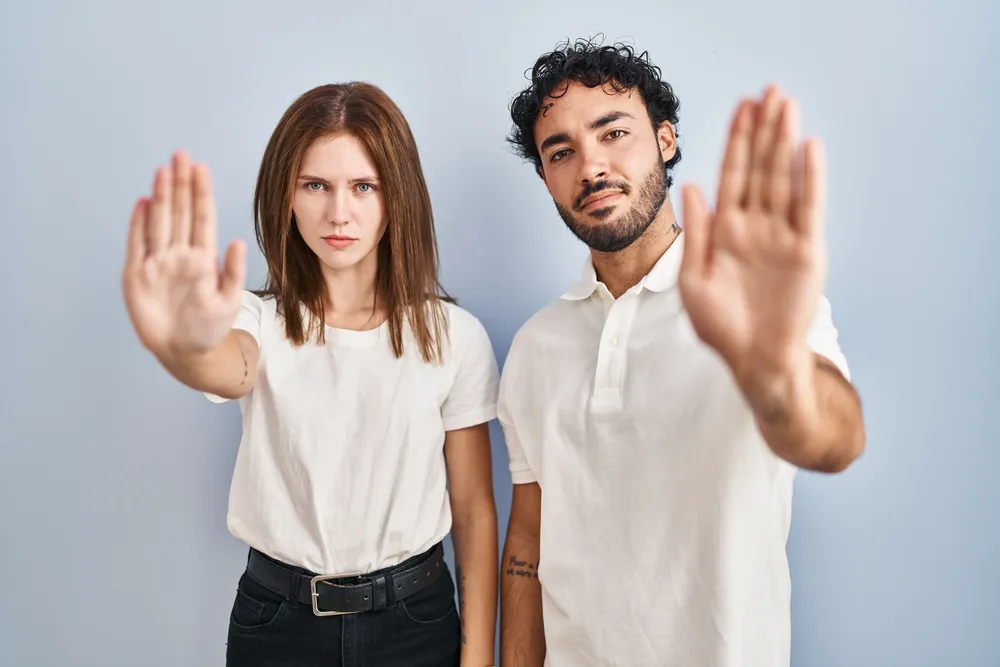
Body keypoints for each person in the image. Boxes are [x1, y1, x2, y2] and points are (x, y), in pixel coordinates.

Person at [496, 38, 866, 667]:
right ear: (546, 177)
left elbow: (835, 441)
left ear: (665, 141)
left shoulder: (753, 303)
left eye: (613, 133)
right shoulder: (536, 345)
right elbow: (528, 543)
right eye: (562, 152)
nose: (591, 167)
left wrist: (773, 374)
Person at [122, 81, 500, 667]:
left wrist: (477, 661)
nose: (338, 212)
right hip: (278, 623)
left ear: (396, 197)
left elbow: (474, 512)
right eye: (316, 185)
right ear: (287, 196)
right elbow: (229, 367)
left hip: (416, 620)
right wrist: (179, 344)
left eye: (363, 186)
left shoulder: (453, 336)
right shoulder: (258, 319)